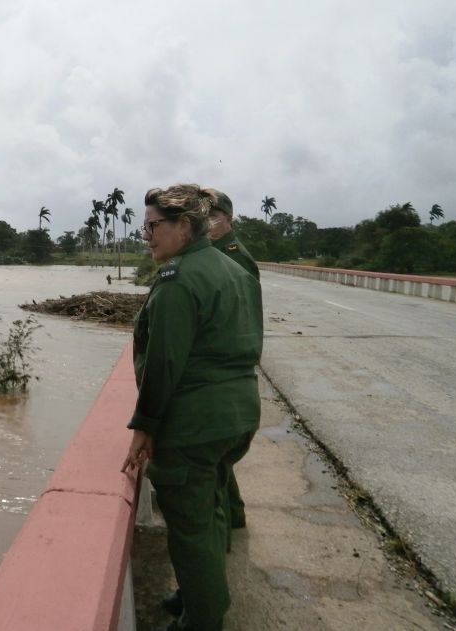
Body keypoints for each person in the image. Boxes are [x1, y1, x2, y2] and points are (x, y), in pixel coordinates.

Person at [121, 184, 263, 631]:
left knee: (190, 529)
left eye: (154, 226)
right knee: (213, 509)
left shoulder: (179, 278)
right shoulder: (233, 269)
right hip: (237, 416)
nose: (147, 235)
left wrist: (144, 427)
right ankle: (205, 599)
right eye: (143, 227)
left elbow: (163, 362)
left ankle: (202, 620)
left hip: (195, 424)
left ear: (184, 226)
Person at [202, 187, 260, 531]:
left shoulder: (234, 257)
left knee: (214, 460)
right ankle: (235, 513)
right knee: (220, 460)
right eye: (203, 217)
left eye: (215, 217)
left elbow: (240, 318)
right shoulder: (217, 252)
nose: (208, 224)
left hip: (226, 369)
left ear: (228, 219)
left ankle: (225, 523)